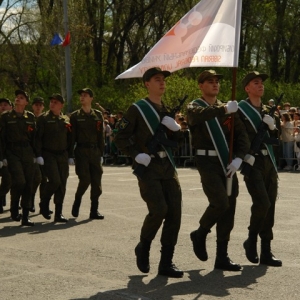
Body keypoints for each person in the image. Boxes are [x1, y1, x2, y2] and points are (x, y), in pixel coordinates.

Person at [115, 67, 184, 278]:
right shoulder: (138, 109)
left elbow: (177, 144)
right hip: (149, 167)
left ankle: (166, 262)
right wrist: (136, 154)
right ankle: (143, 246)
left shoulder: (167, 110)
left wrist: (178, 129)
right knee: (159, 209)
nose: (162, 83)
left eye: (163, 79)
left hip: (168, 168)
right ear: (147, 83)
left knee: (174, 214)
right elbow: (119, 136)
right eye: (157, 79)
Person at [187, 70, 250, 271]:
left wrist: (239, 158)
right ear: (201, 85)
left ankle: (222, 256)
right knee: (220, 202)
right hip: (207, 162)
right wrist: (224, 109)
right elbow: (199, 116)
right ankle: (201, 232)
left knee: (229, 208)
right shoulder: (195, 106)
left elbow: (242, 136)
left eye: (217, 82)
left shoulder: (229, 108)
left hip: (227, 162)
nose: (215, 84)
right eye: (210, 81)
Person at [238, 71, 282, 266]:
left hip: (268, 163)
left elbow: (277, 137)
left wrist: (273, 127)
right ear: (247, 88)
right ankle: (251, 239)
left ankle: (266, 250)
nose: (260, 85)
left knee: (270, 206)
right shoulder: (240, 110)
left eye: (261, 83)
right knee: (262, 203)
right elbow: (236, 135)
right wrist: (242, 155)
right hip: (252, 162)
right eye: (256, 83)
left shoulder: (267, 110)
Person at [0, 90, 36, 226]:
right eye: (17, 97)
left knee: (28, 183)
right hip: (12, 151)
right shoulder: (6, 117)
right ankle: (14, 207)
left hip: (27, 151)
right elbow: (1, 139)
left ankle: (25, 215)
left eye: (21, 98)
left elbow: (35, 138)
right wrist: (1, 157)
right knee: (19, 181)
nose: (18, 99)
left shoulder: (30, 117)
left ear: (26, 102)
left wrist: (36, 154)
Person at [36, 94, 72, 222]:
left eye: (55, 102)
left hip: (62, 154)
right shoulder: (43, 119)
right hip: (48, 154)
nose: (52, 104)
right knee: (55, 180)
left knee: (62, 183)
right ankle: (44, 202)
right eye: (51, 101)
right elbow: (38, 138)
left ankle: (58, 213)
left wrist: (70, 155)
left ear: (61, 105)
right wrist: (38, 155)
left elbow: (70, 139)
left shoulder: (65, 119)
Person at [70, 88, 105, 220]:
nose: (82, 97)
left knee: (97, 181)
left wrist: (101, 153)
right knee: (85, 179)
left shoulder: (97, 115)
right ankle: (77, 200)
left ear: (91, 98)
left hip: (95, 151)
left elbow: (100, 135)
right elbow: (72, 137)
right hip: (81, 151)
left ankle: (94, 210)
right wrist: (70, 155)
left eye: (85, 95)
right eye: (81, 95)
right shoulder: (75, 116)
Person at [30, 97, 46, 213]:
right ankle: (30, 201)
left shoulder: (45, 119)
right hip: (31, 153)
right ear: (32, 106)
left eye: (40, 105)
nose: (38, 107)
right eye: (36, 105)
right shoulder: (29, 118)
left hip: (44, 153)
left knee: (44, 179)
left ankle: (43, 204)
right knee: (36, 178)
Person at [0, 98, 12, 214]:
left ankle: (1, 195)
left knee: (8, 179)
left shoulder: (12, 121)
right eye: (1, 105)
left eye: (5, 105)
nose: (3, 106)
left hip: (7, 155)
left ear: (11, 107)